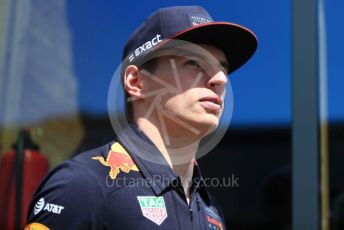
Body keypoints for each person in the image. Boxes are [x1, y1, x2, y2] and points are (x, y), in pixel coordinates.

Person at [25, 5, 257, 230]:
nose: (220, 79)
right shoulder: (83, 185)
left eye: (223, 69)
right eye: (193, 63)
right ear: (136, 82)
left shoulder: (210, 209)